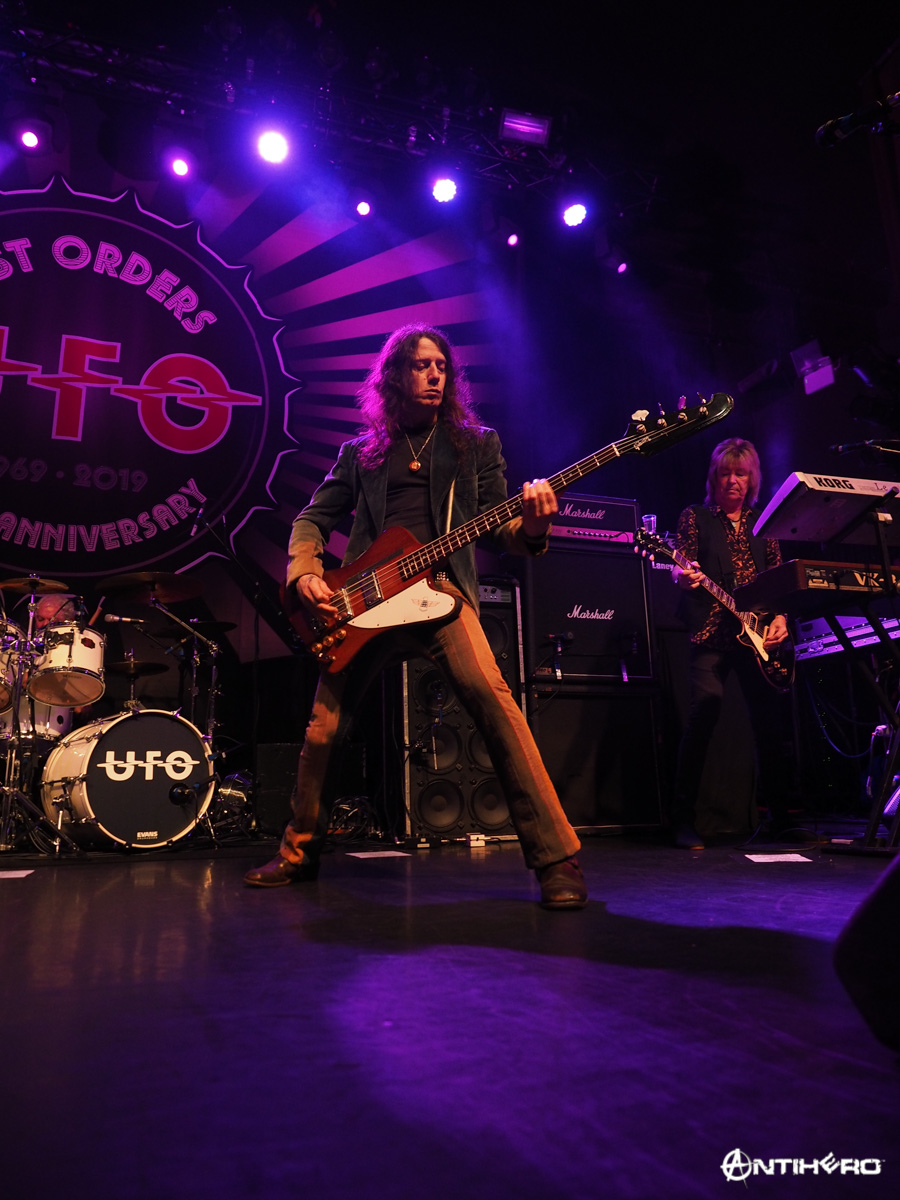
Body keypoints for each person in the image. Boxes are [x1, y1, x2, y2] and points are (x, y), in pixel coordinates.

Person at [244, 323, 587, 908]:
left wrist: (533, 526)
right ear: (395, 375)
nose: (434, 375)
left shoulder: (476, 445)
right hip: (364, 601)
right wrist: (304, 572)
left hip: (442, 594)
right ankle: (297, 853)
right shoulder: (361, 453)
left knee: (497, 705)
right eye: (421, 365)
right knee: (323, 731)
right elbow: (310, 520)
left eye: (442, 366)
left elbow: (501, 528)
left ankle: (558, 861)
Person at [671, 437, 794, 849]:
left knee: (770, 724)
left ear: (752, 478)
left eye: (740, 474)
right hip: (711, 633)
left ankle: (780, 819)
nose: (733, 481)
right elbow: (680, 564)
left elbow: (778, 580)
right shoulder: (696, 517)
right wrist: (682, 576)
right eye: (725, 473)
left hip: (756, 638)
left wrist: (781, 618)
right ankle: (683, 819)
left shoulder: (765, 523)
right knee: (704, 712)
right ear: (715, 477)